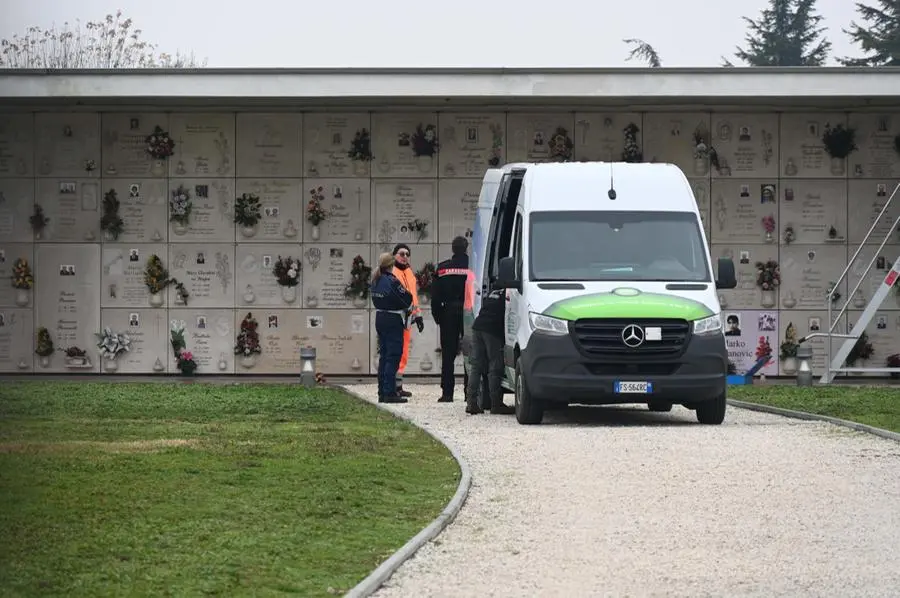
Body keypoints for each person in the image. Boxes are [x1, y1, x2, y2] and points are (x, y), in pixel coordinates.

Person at [465, 283, 515, 415]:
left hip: (478, 326)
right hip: (491, 330)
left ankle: (471, 403)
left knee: (476, 366)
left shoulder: (494, 291)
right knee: (495, 365)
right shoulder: (509, 294)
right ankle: (496, 404)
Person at [431, 236, 470, 403]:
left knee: (448, 354)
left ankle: (447, 393)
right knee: (470, 353)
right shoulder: (473, 266)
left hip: (447, 312)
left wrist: (439, 317)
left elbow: (434, 297)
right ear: (466, 248)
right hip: (468, 312)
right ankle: (470, 392)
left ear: (453, 249)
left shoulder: (442, 268)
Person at [371, 252, 412, 404]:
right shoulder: (392, 281)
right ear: (391, 265)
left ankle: (382, 391)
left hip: (380, 318)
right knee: (393, 355)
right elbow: (406, 298)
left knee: (384, 355)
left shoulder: (375, 280)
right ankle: (389, 392)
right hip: (392, 319)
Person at [391, 243, 423, 397]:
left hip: (408, 318)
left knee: (403, 352)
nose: (405, 257)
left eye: (407, 254)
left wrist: (418, 315)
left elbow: (413, 296)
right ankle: (391, 386)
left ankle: (398, 385)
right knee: (395, 351)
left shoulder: (409, 272)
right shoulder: (392, 272)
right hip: (397, 317)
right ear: (394, 255)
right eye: (401, 254)